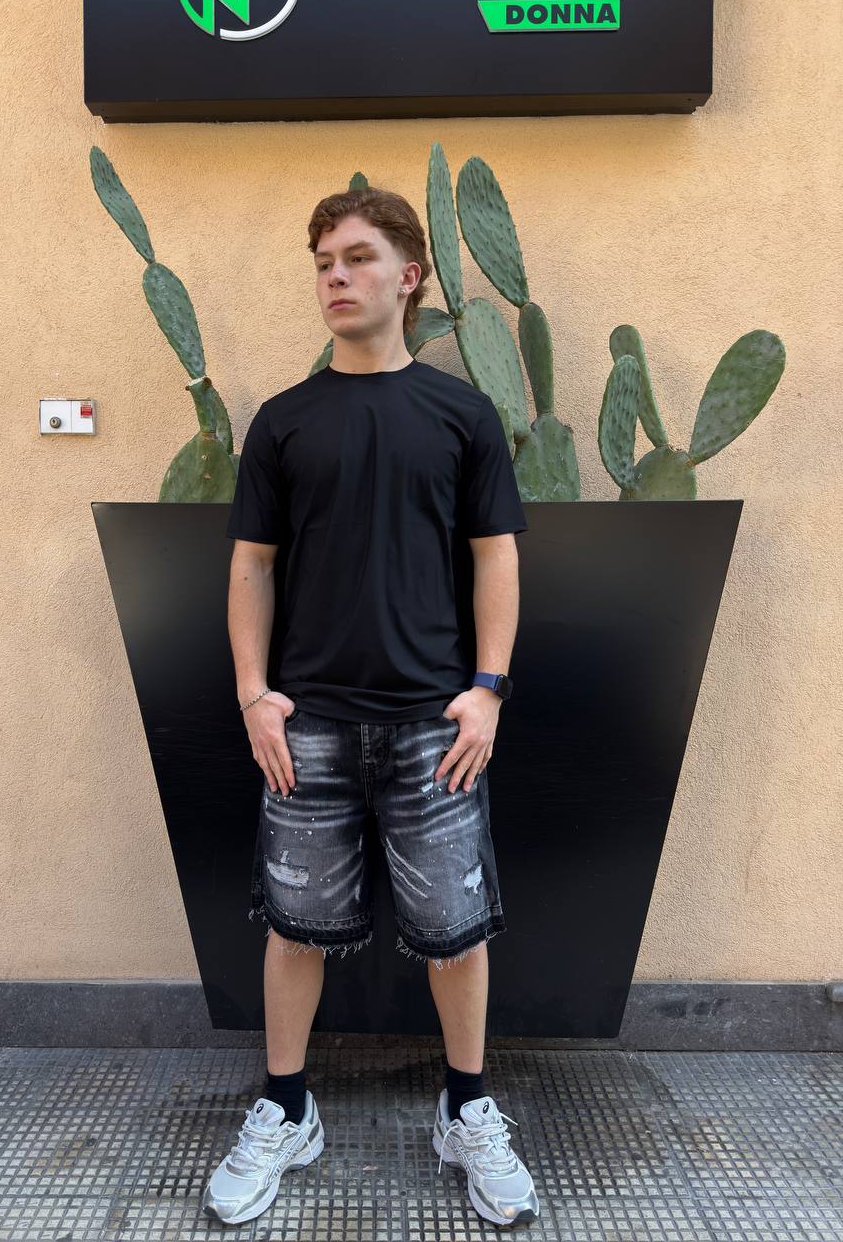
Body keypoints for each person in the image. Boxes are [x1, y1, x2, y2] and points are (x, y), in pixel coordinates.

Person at [205, 185, 540, 1229]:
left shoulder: (461, 415)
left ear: (410, 275)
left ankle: (467, 1109)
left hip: (435, 726)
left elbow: (496, 557)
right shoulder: (284, 421)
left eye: (355, 257)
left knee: (455, 930)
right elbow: (251, 566)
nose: (335, 277)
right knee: (294, 926)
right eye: (322, 262)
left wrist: (488, 690)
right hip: (306, 723)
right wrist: (253, 694)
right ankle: (285, 1108)